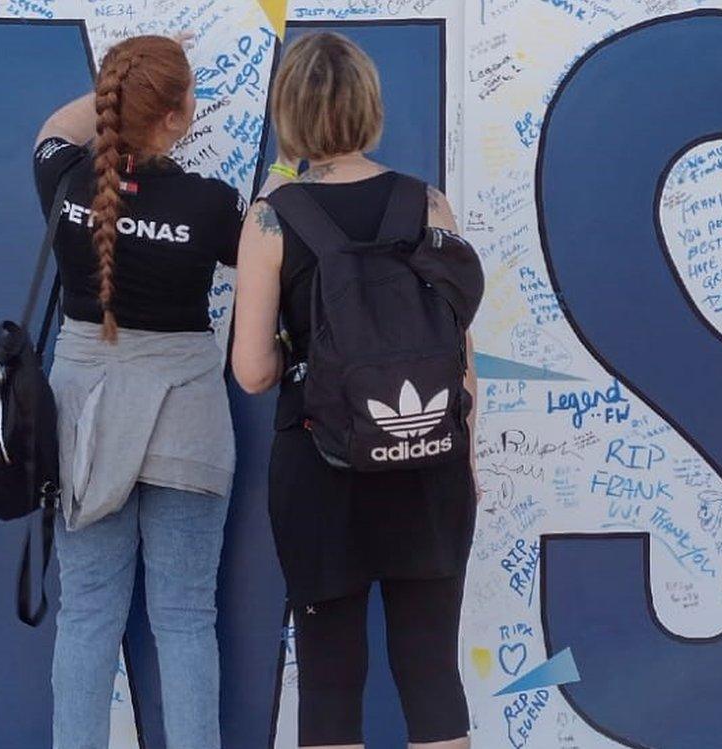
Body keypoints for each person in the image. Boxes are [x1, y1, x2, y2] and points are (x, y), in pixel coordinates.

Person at [232, 32, 477, 749]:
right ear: (370, 106)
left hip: (321, 468)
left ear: (290, 115)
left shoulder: (274, 218)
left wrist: (302, 346)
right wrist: (467, 455)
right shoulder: (427, 204)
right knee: (432, 673)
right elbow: (457, 351)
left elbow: (251, 371)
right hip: (429, 455)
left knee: (331, 679)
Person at [32, 34, 242, 749]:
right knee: (185, 617)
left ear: (110, 104)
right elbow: (271, 260)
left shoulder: (66, 183)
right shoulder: (215, 205)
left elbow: (54, 131)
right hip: (187, 415)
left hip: (84, 418)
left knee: (88, 614)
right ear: (178, 118)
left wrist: (115, 92)